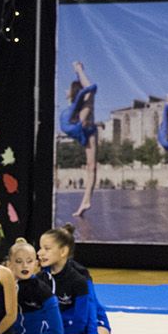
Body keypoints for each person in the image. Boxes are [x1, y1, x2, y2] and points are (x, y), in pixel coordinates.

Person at [0, 237, 62, 334]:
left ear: (36, 264)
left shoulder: (42, 290)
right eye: (19, 261)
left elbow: (57, 332)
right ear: (9, 264)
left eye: (29, 261)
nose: (25, 266)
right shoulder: (4, 287)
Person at [37, 225, 97, 334]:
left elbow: (85, 315)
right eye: (40, 248)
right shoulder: (41, 277)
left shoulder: (79, 277)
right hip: (53, 330)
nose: (39, 253)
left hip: (73, 330)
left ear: (63, 251)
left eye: (46, 249)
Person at [60, 63, 99, 218]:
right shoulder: (73, 107)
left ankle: (86, 200)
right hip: (83, 129)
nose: (66, 91)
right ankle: (86, 201)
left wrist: (79, 70)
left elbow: (90, 87)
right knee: (91, 167)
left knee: (92, 166)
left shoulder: (87, 103)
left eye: (69, 90)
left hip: (89, 131)